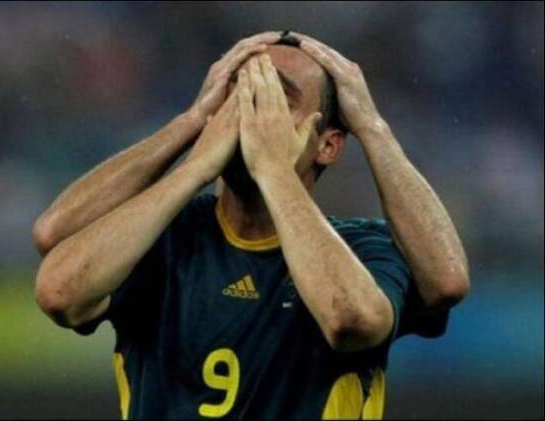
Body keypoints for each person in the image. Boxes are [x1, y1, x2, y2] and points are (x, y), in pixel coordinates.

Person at [32, 30, 470, 419]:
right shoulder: (163, 237)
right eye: (240, 95)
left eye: (277, 99)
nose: (252, 115)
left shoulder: (364, 251)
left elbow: (366, 313)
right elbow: (58, 281)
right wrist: (192, 137)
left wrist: (365, 129)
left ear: (328, 145)